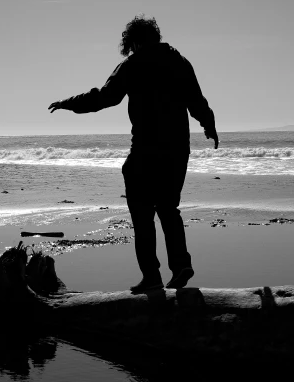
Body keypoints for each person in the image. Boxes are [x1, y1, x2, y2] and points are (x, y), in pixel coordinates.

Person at [48, 15, 218, 293]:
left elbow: (104, 98)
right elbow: (197, 101)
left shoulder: (133, 64)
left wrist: (67, 103)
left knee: (141, 214)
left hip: (146, 149)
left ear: (134, 42)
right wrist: (209, 126)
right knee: (168, 208)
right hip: (178, 149)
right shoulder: (180, 62)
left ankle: (151, 276)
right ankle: (180, 265)